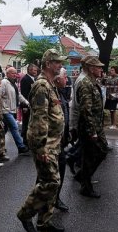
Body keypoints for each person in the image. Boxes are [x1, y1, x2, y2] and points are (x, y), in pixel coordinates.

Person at [17, 49, 66, 232]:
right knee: (51, 182)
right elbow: (39, 119)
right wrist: (40, 148)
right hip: (44, 144)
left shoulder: (50, 84)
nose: (61, 65)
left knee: (52, 183)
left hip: (53, 142)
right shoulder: (42, 86)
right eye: (57, 62)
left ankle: (44, 223)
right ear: (48, 64)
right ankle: (25, 214)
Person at [76, 57, 108, 198]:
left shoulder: (93, 82)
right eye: (98, 67)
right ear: (90, 68)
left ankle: (82, 176)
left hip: (96, 124)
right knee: (90, 155)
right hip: (89, 126)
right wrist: (92, 131)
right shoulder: (85, 84)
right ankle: (85, 187)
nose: (101, 69)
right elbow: (85, 110)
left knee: (101, 151)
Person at [0, 67, 29, 155]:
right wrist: (2, 107)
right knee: (14, 127)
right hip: (6, 110)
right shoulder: (4, 82)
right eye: (13, 73)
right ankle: (21, 146)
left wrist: (27, 102)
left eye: (16, 73)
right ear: (7, 73)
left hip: (12, 110)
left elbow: (18, 95)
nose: (15, 75)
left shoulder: (13, 83)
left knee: (2, 132)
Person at [54, 67, 70, 212]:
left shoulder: (61, 91)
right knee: (48, 177)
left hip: (61, 140)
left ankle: (55, 198)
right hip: (52, 143)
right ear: (58, 79)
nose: (67, 79)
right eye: (65, 77)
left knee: (60, 170)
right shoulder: (49, 91)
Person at [20, 64, 39, 146]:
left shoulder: (33, 79)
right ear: (29, 70)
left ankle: (29, 140)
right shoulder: (25, 79)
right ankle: (25, 140)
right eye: (34, 70)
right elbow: (24, 94)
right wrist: (25, 106)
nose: (36, 72)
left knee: (30, 123)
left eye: (36, 70)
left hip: (32, 105)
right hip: (27, 106)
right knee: (26, 122)